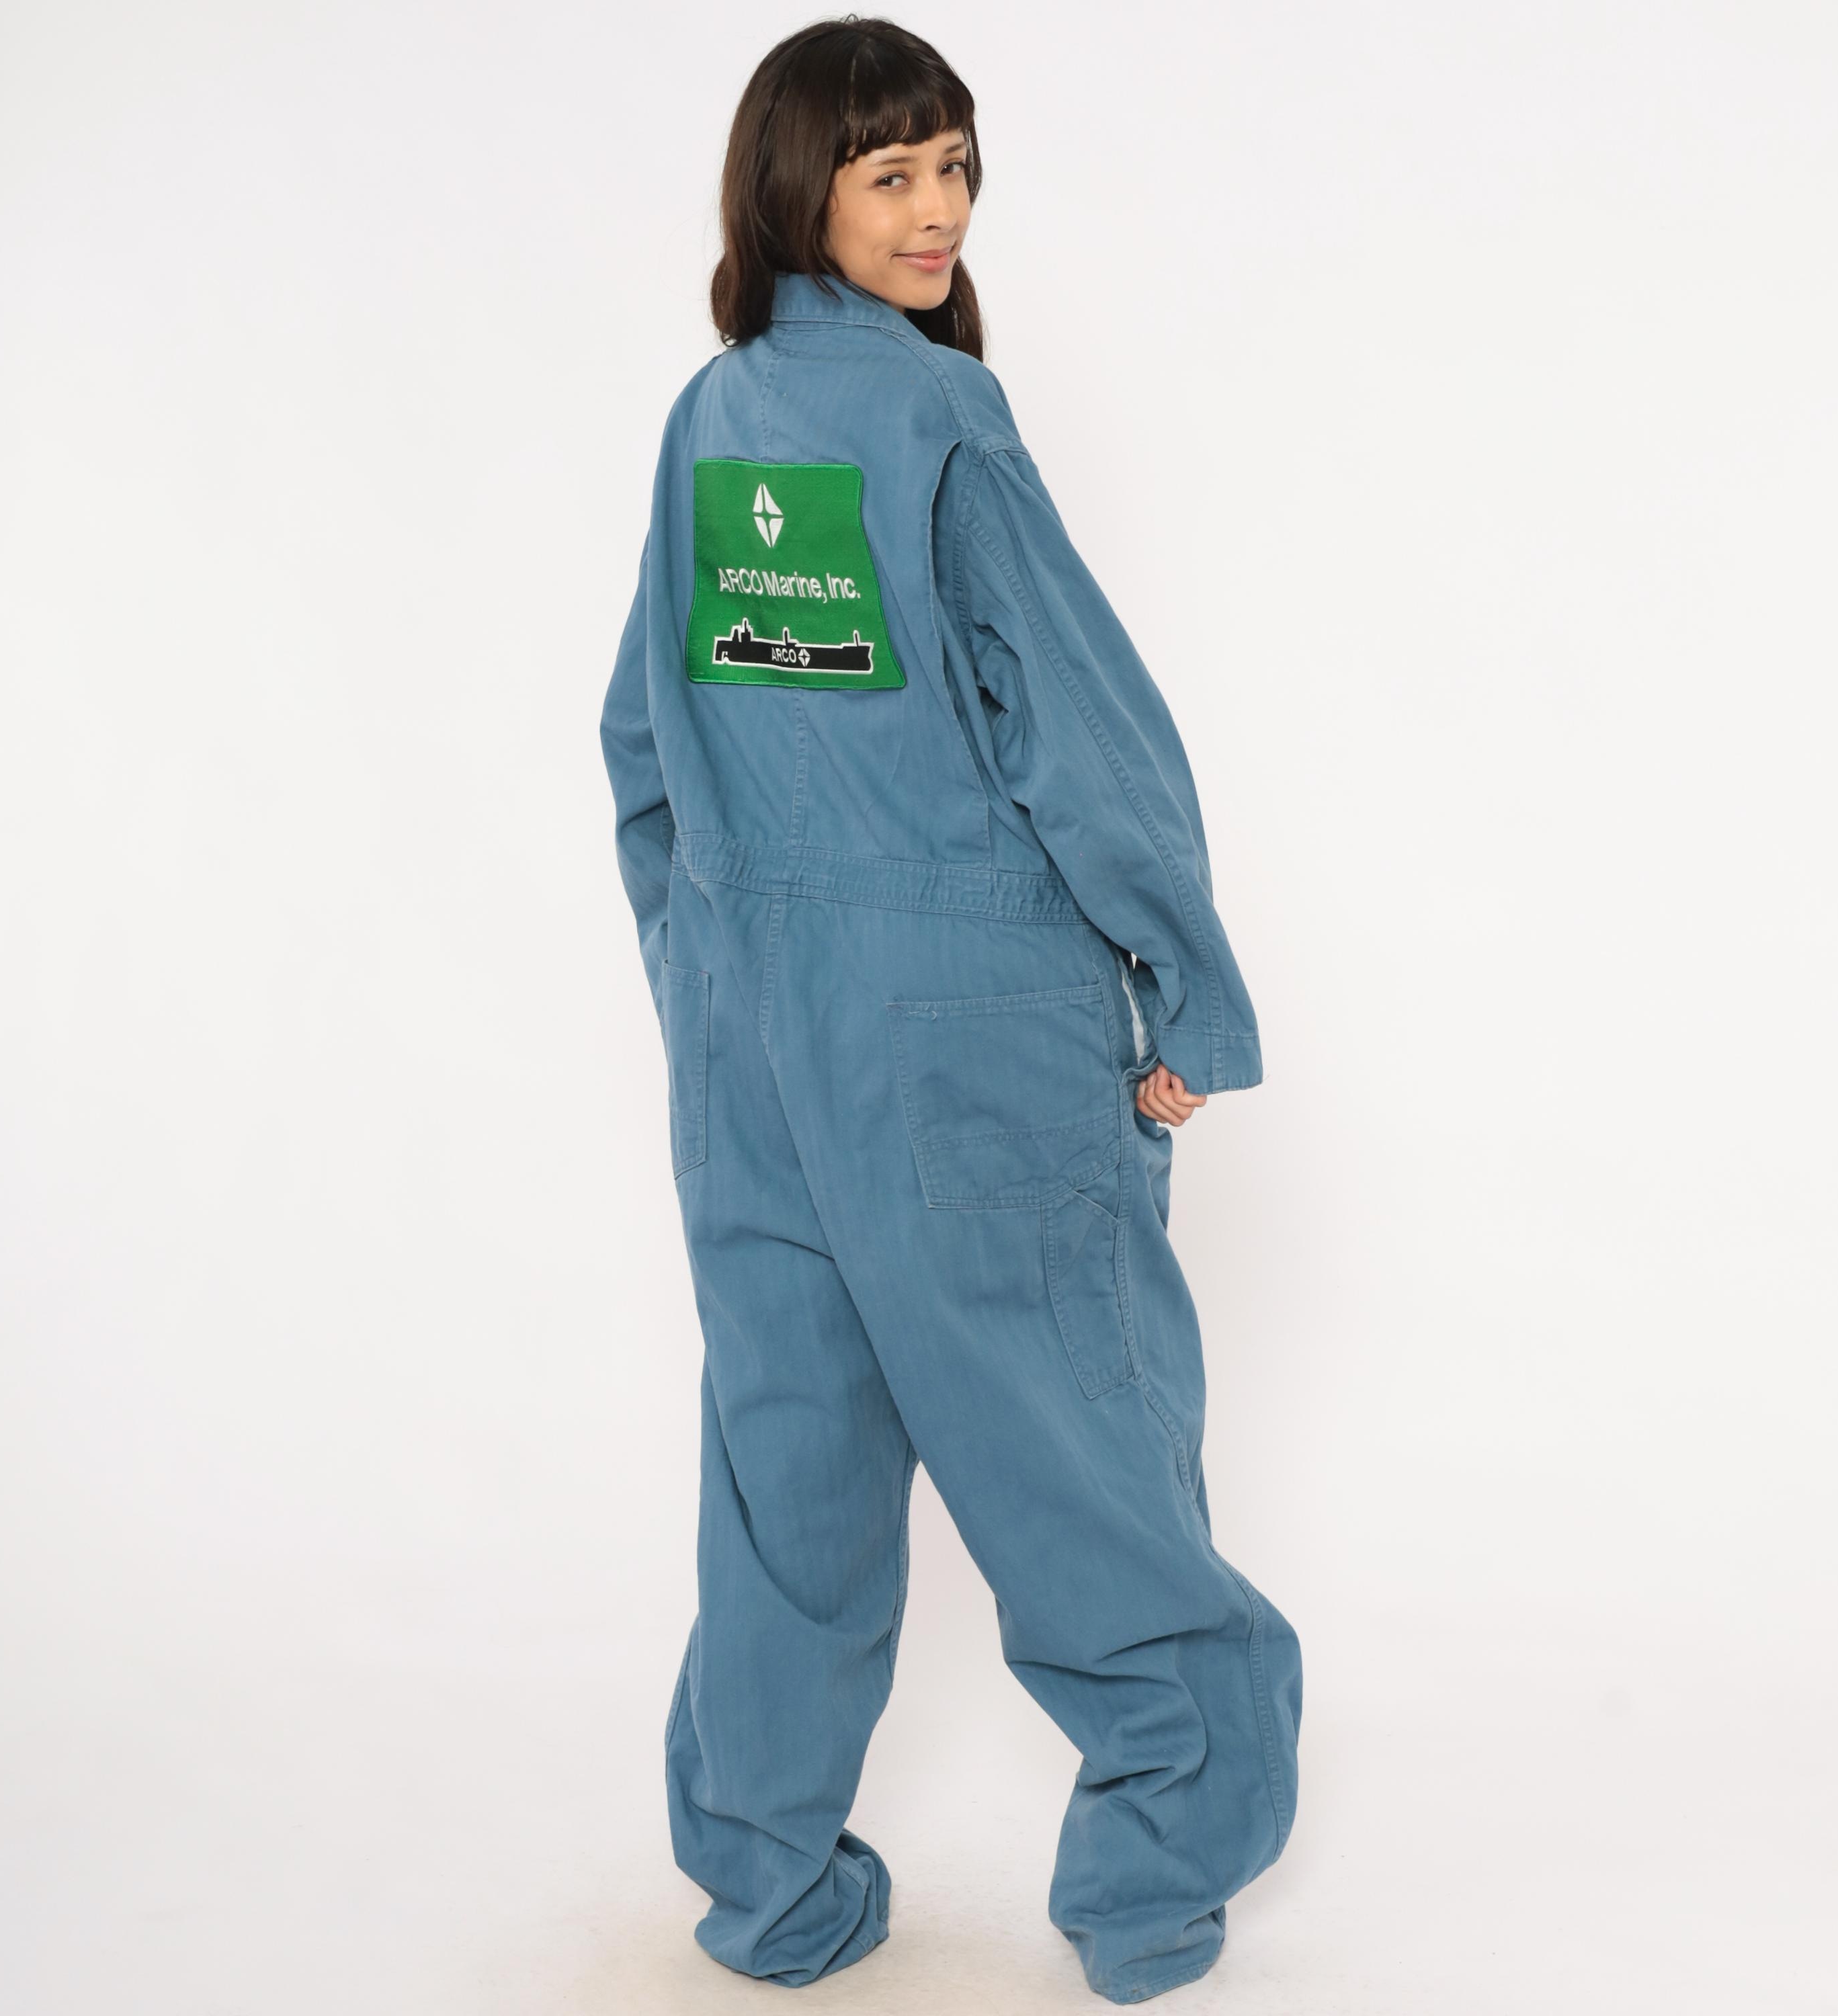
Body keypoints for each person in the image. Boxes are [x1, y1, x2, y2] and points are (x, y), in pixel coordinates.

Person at [598, 18, 1301, 2007]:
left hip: (757, 1051)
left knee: (788, 1468)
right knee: (1075, 1443)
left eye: (957, 168)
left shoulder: (713, 422)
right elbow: (1085, 742)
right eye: (893, 172)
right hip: (969, 1037)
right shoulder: (942, 425)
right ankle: (1151, 1897)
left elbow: (645, 746)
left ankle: (768, 1890)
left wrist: (707, 964)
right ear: (797, 186)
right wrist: (1189, 992)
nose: (939, 212)